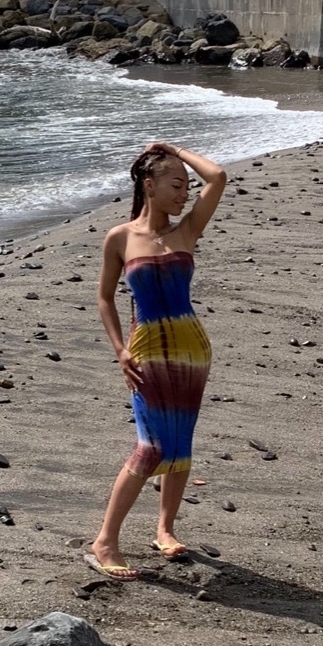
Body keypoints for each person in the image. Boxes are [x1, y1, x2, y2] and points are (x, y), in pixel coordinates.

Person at [86, 141, 226, 581]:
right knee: (151, 447)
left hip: (192, 348)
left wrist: (175, 151)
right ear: (149, 185)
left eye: (187, 187)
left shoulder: (186, 231)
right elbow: (104, 298)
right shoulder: (121, 238)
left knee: (180, 442)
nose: (185, 193)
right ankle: (104, 541)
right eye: (175, 185)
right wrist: (120, 350)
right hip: (146, 349)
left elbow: (217, 177)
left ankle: (165, 529)